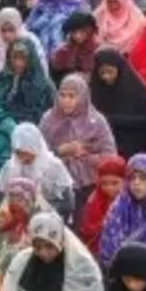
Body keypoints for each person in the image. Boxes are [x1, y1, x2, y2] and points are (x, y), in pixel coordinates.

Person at [38, 74, 118, 215]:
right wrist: (60, 151)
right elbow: (37, 156)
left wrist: (85, 156)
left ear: (82, 97)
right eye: (62, 95)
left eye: (71, 96)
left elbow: (111, 157)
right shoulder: (48, 120)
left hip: (89, 186)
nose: (66, 101)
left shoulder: (96, 121)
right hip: (56, 187)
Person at [0, 123, 75, 220]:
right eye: (19, 153)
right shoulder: (10, 167)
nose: (23, 158)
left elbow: (68, 202)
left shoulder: (54, 166)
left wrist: (43, 213)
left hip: (49, 220)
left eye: (26, 152)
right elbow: (1, 194)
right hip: (17, 218)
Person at [89, 49, 146, 158]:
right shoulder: (95, 90)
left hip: (134, 149)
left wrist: (114, 121)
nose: (106, 77)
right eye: (102, 73)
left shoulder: (135, 89)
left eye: (110, 72)